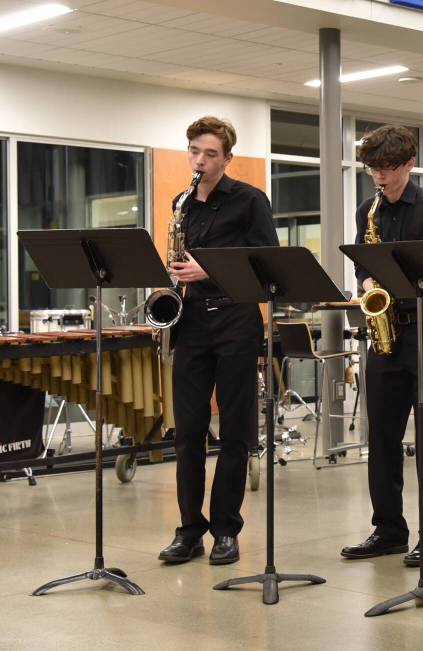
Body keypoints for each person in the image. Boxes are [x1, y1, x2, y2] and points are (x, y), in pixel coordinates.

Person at [340, 125, 423, 567]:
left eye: (387, 169)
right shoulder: (369, 209)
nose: (379, 177)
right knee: (381, 435)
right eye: (373, 169)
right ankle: (389, 529)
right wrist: (366, 280)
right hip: (385, 331)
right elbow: (365, 259)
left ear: (409, 164)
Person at [158, 116, 278, 566]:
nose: (200, 160)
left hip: (235, 320)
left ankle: (226, 529)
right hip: (191, 323)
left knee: (235, 432)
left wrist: (209, 270)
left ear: (228, 158)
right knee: (187, 432)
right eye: (194, 151)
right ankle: (189, 530)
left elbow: (266, 262)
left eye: (210, 154)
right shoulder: (181, 202)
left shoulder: (250, 201)